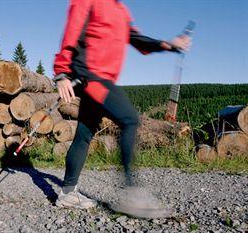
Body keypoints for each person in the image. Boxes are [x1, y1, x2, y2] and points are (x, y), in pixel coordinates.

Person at [53, 0, 191, 215]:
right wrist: (62, 72)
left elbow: (137, 39)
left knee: (84, 133)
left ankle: (68, 194)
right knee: (130, 119)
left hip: (103, 77)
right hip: (91, 76)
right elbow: (72, 33)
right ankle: (132, 194)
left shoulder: (120, 10)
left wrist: (169, 45)